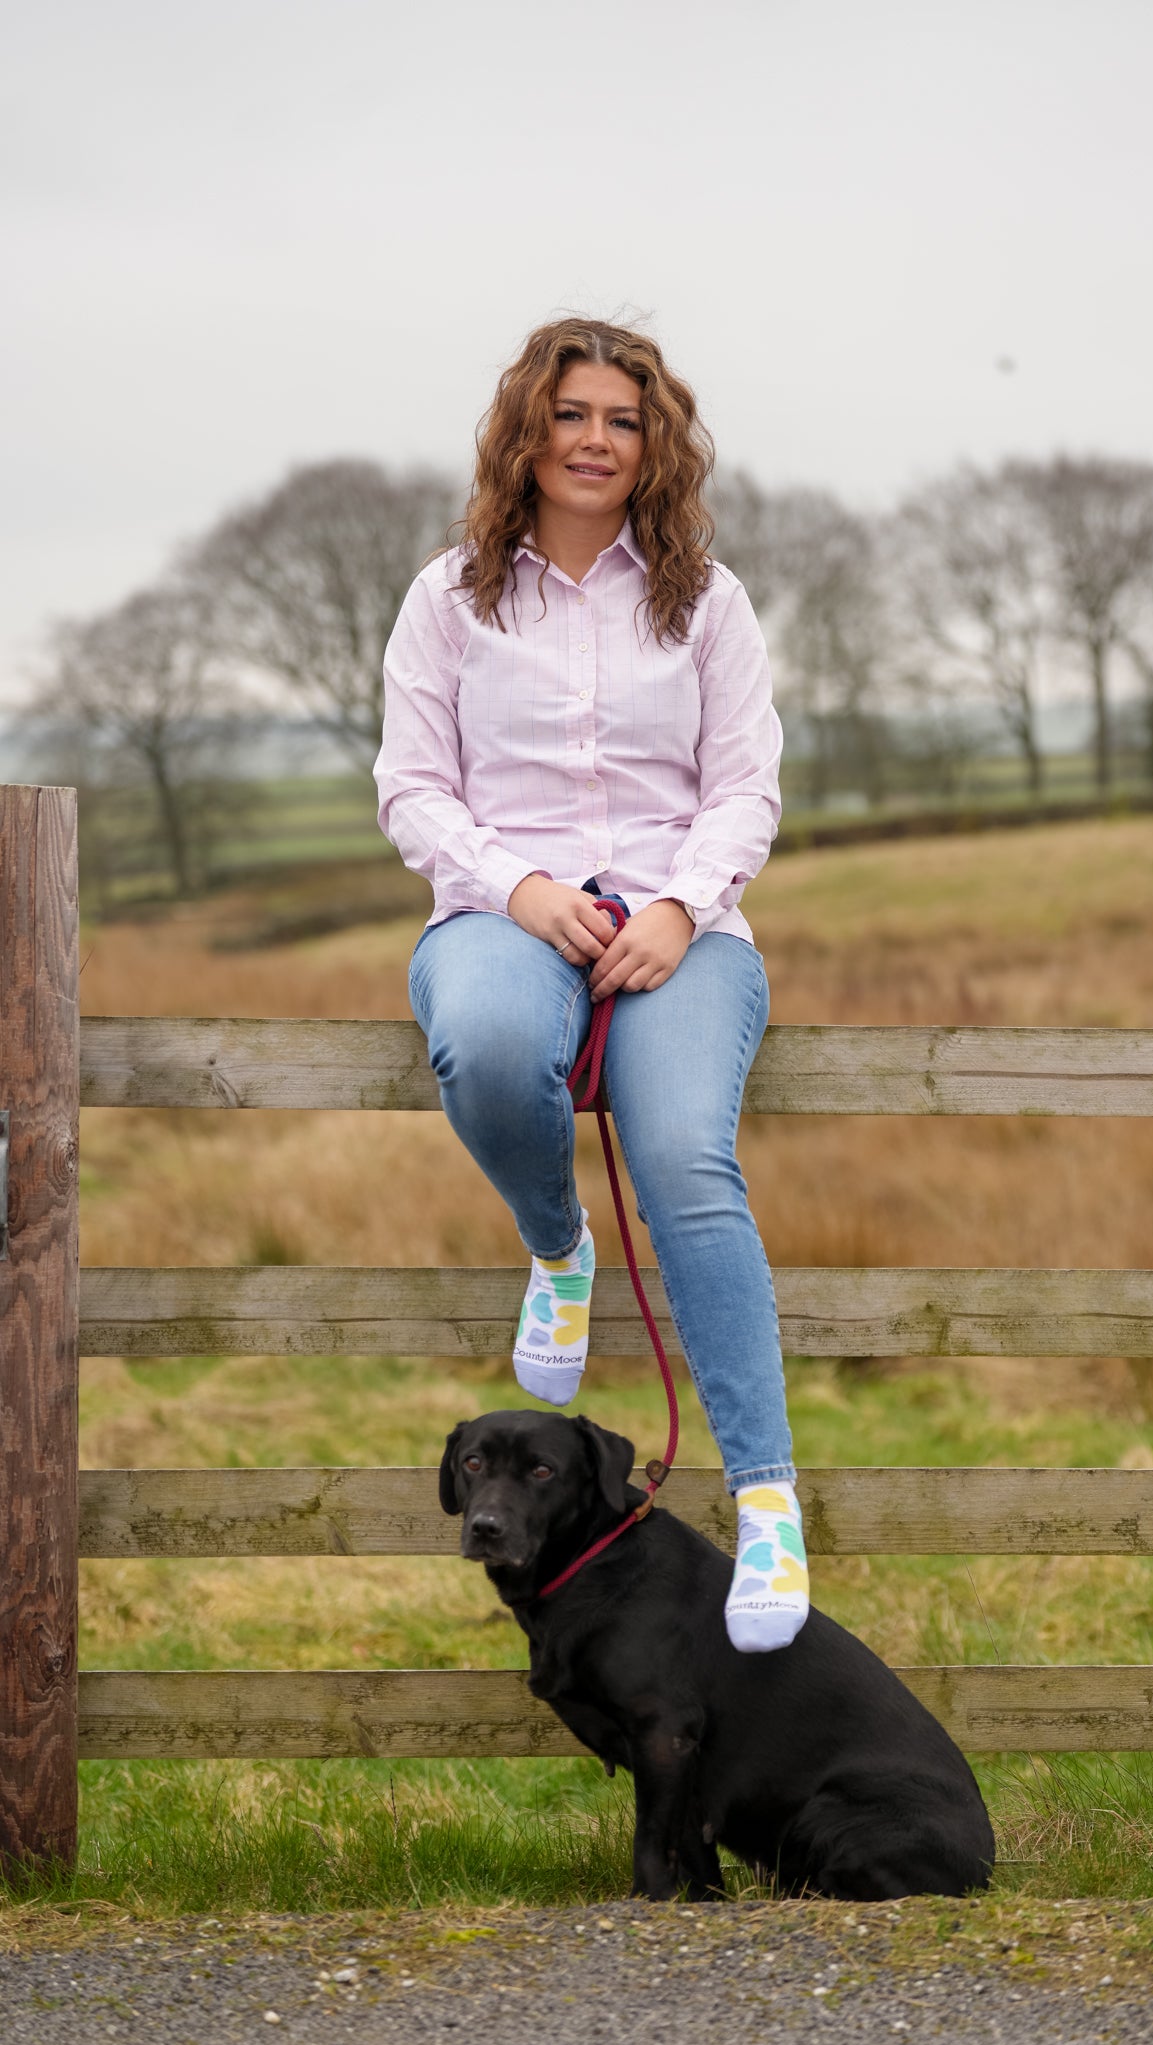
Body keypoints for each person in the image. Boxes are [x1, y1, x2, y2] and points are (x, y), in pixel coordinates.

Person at [374, 317, 807, 1652]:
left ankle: (768, 1501)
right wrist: (518, 889)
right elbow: (412, 787)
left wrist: (680, 907)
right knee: (491, 1042)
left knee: (685, 1163)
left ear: (655, 446)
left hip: (684, 927)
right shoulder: (449, 598)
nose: (596, 441)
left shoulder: (707, 600)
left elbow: (745, 788)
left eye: (624, 420)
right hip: (502, 910)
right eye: (572, 414)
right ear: (526, 431)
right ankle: (558, 1244)